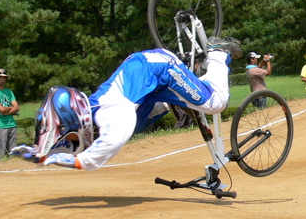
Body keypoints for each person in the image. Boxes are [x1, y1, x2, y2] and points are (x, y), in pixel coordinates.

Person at [12, 37, 242, 169]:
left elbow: (100, 152)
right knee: (138, 123)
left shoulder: (111, 113)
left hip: (161, 70)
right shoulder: (93, 105)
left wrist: (60, 160)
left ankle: (218, 53)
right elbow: (77, 142)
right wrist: (42, 153)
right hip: (145, 78)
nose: (66, 135)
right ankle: (180, 96)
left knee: (215, 103)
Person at [0, 68, 20, 160]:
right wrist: (11, 108)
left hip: (12, 124)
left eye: (4, 77)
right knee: (0, 154)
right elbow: (1, 109)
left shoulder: (9, 92)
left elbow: (17, 107)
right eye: (0, 77)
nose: (2, 79)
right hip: (0, 125)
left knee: (13, 153)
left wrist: (6, 110)